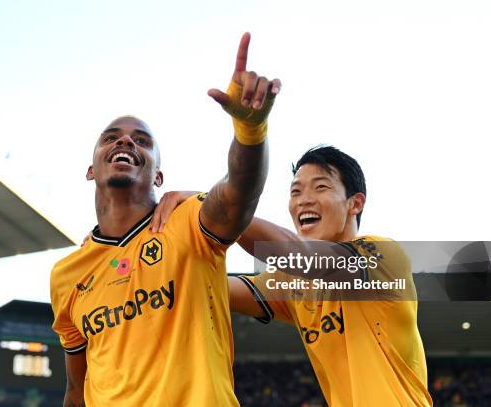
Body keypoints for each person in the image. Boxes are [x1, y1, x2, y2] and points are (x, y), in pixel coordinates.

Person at [49, 32, 281, 407]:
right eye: (112, 138)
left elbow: (240, 192)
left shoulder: (188, 221)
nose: (125, 143)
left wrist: (250, 131)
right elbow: (77, 390)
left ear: (159, 175)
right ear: (91, 169)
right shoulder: (65, 276)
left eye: (142, 141)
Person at [153, 146, 433, 406]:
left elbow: (292, 251)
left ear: (355, 204)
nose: (304, 200)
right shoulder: (292, 283)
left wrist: (211, 207)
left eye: (321, 187)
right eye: (295, 192)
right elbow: (206, 286)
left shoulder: (382, 257)